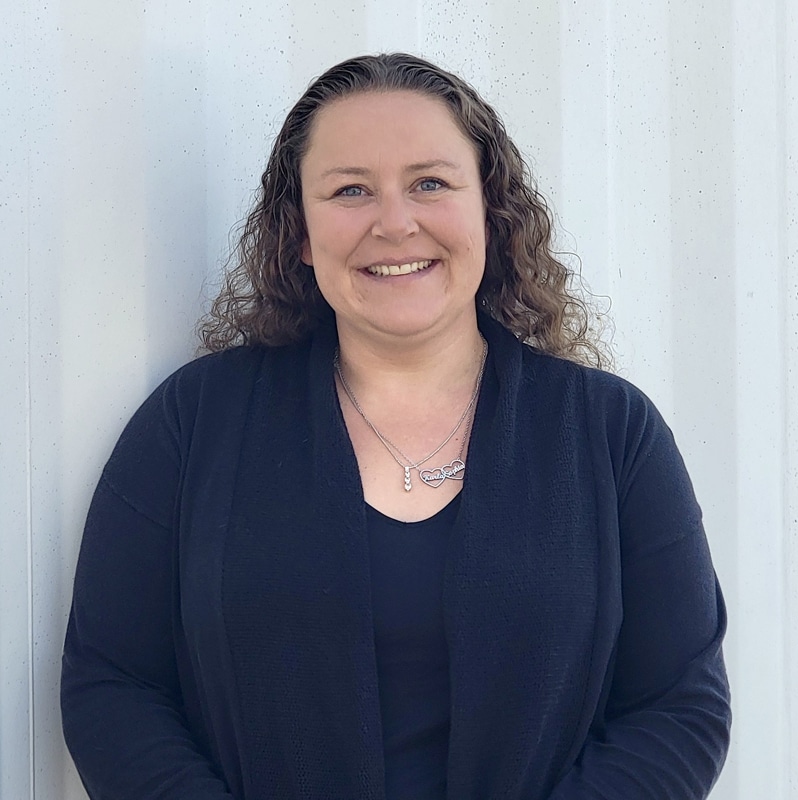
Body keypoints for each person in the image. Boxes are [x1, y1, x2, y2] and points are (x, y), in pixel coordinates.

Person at [61, 53, 731, 799]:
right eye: (351, 190)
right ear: (303, 234)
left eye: (430, 184)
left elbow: (679, 707)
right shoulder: (190, 426)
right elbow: (113, 685)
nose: (395, 222)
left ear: (489, 212)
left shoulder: (611, 434)